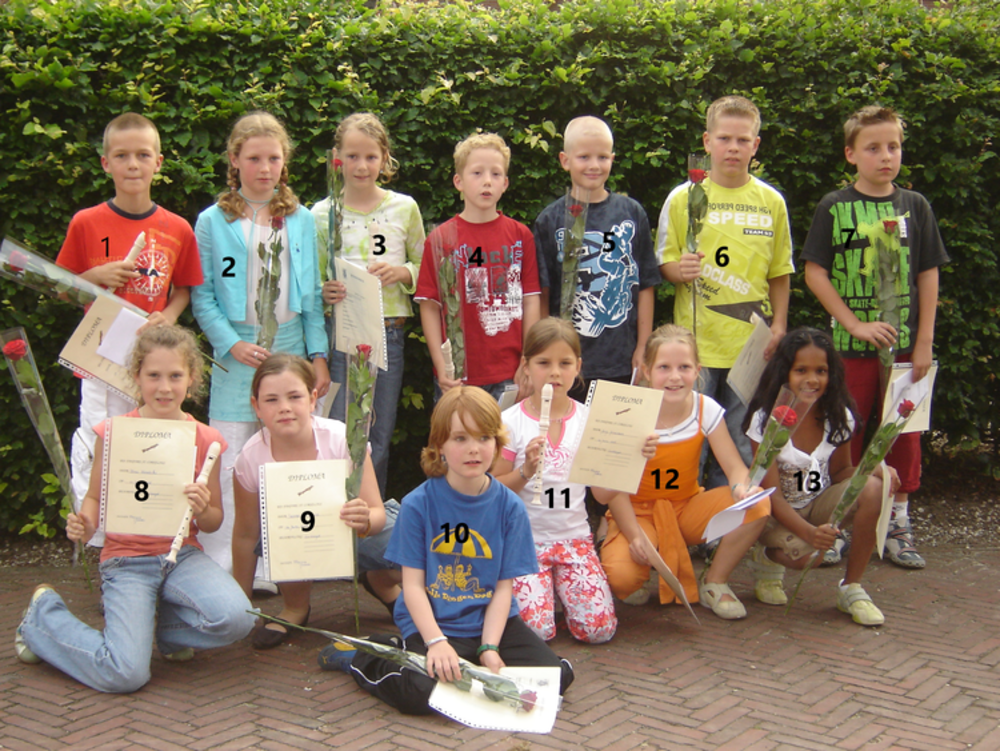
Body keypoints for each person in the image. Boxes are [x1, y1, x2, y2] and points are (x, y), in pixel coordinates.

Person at [14, 325, 255, 692]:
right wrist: (85, 522)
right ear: (136, 377)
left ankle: (167, 634)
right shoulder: (114, 432)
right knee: (125, 674)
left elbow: (213, 522)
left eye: (175, 376)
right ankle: (43, 618)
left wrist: (202, 508)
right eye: (153, 375)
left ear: (192, 378)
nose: (164, 387)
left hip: (182, 556)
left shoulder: (207, 439)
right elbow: (95, 498)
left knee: (239, 618)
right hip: (127, 560)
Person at [317, 386, 574, 716]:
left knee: (558, 678)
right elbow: (412, 586)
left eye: (484, 437)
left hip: (492, 624)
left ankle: (471, 661)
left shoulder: (510, 507)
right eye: (460, 438)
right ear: (439, 446)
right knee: (420, 694)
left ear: (497, 444)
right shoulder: (418, 504)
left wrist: (490, 647)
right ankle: (367, 655)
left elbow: (503, 588)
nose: (473, 449)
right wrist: (436, 642)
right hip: (434, 622)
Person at [802, 105, 949, 569]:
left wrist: (923, 342)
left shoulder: (915, 206)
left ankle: (898, 524)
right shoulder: (834, 206)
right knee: (847, 433)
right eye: (873, 148)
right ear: (851, 154)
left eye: (893, 146)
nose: (886, 156)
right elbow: (815, 272)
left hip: (904, 352)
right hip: (850, 352)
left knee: (902, 435)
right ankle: (838, 521)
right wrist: (853, 324)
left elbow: (928, 273)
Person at [191, 111, 329, 573]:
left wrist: (318, 355)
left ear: (284, 162)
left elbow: (311, 295)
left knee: (283, 458)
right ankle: (226, 569)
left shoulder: (301, 219)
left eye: (273, 158)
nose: (265, 168)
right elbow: (203, 294)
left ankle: (281, 566)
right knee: (231, 458)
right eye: (254, 158)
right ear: (234, 160)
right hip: (236, 355)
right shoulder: (212, 221)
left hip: (289, 348)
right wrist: (231, 344)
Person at [56, 112, 203, 547]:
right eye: (121, 156)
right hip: (99, 357)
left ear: (159, 162)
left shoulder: (177, 227)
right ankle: (101, 543)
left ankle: (148, 535)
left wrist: (169, 316)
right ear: (106, 164)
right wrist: (95, 277)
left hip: (152, 358)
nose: (133, 164)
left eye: (142, 155)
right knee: (98, 439)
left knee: (149, 443)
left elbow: (184, 290)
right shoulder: (86, 222)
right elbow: (62, 287)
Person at [656, 95, 793, 489]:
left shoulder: (771, 202)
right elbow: (663, 263)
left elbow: (780, 271)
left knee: (738, 439)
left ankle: (727, 514)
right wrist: (678, 271)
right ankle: (687, 512)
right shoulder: (683, 198)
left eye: (743, 140)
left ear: (756, 145)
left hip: (750, 347)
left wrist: (780, 325)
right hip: (693, 349)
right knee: (687, 439)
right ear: (707, 141)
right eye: (724, 138)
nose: (733, 148)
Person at [595, 324, 770, 620]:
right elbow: (611, 491)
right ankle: (630, 554)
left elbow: (734, 466)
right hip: (637, 513)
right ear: (647, 371)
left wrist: (741, 487)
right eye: (664, 367)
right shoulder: (627, 412)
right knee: (622, 579)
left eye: (684, 367)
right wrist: (635, 535)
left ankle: (714, 581)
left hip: (687, 509)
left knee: (758, 503)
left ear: (697, 370)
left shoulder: (705, 408)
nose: (675, 377)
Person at [231, 354, 401, 649]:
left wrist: (364, 519)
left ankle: (383, 583)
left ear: (312, 400)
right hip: (297, 537)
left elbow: (377, 513)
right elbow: (245, 535)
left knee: (410, 540)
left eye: (294, 396)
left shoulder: (342, 438)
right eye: (271, 400)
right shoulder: (250, 457)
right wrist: (240, 604)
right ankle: (295, 607)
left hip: (354, 532)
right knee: (278, 528)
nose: (284, 407)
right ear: (256, 406)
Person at [742, 328, 896, 626]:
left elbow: (840, 472)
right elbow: (771, 494)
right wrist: (810, 534)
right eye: (801, 370)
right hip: (773, 514)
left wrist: (873, 469)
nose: (812, 379)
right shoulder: (766, 419)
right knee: (809, 557)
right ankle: (766, 556)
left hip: (817, 504)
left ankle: (851, 587)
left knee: (873, 488)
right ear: (784, 372)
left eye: (821, 371)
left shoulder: (837, 415)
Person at [311, 112, 425, 497]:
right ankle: (333, 510)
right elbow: (311, 281)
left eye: (371, 157)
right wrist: (324, 292)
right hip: (340, 333)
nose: (362, 166)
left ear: (384, 159)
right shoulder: (321, 214)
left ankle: (370, 517)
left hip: (388, 333)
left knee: (378, 430)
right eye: (353, 156)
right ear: (337, 159)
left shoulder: (404, 208)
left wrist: (402, 272)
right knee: (337, 430)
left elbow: (425, 267)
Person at [494, 319, 618, 644]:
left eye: (564, 363)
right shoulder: (509, 422)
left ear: (578, 367)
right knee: (534, 633)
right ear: (526, 366)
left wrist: (631, 462)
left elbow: (602, 495)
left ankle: (562, 592)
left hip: (574, 539)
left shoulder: (590, 421)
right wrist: (525, 471)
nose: (554, 373)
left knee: (599, 630)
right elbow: (493, 492)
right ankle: (540, 593)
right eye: (543, 363)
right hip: (525, 543)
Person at [533, 116, 661, 401]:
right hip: (565, 361)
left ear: (612, 159)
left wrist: (643, 346)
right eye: (584, 157)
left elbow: (645, 286)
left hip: (620, 359)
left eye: (603, 157)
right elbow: (543, 293)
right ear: (565, 160)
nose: (594, 165)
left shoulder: (631, 213)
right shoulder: (549, 219)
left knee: (614, 428)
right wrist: (543, 352)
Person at [415, 133, 541, 401]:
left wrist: (528, 360)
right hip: (457, 378)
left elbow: (531, 301)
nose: (487, 181)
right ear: (458, 182)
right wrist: (441, 366)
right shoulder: (440, 239)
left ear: (505, 183)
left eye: (496, 174)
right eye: (477, 173)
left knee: (507, 431)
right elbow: (429, 306)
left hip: (511, 373)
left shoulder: (521, 236)